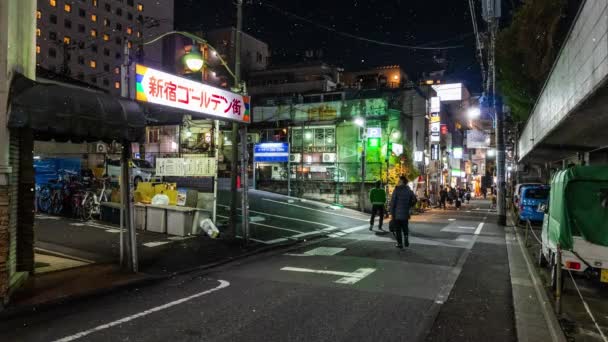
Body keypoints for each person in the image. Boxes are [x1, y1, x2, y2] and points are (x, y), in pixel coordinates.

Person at [390, 175, 417, 249]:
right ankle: (405, 237)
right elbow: (415, 200)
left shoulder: (397, 189)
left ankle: (400, 243)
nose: (398, 182)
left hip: (397, 214)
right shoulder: (409, 190)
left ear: (402, 181)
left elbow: (393, 202)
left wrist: (391, 213)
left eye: (399, 181)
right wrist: (409, 205)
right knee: (405, 227)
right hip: (405, 213)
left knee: (398, 229)